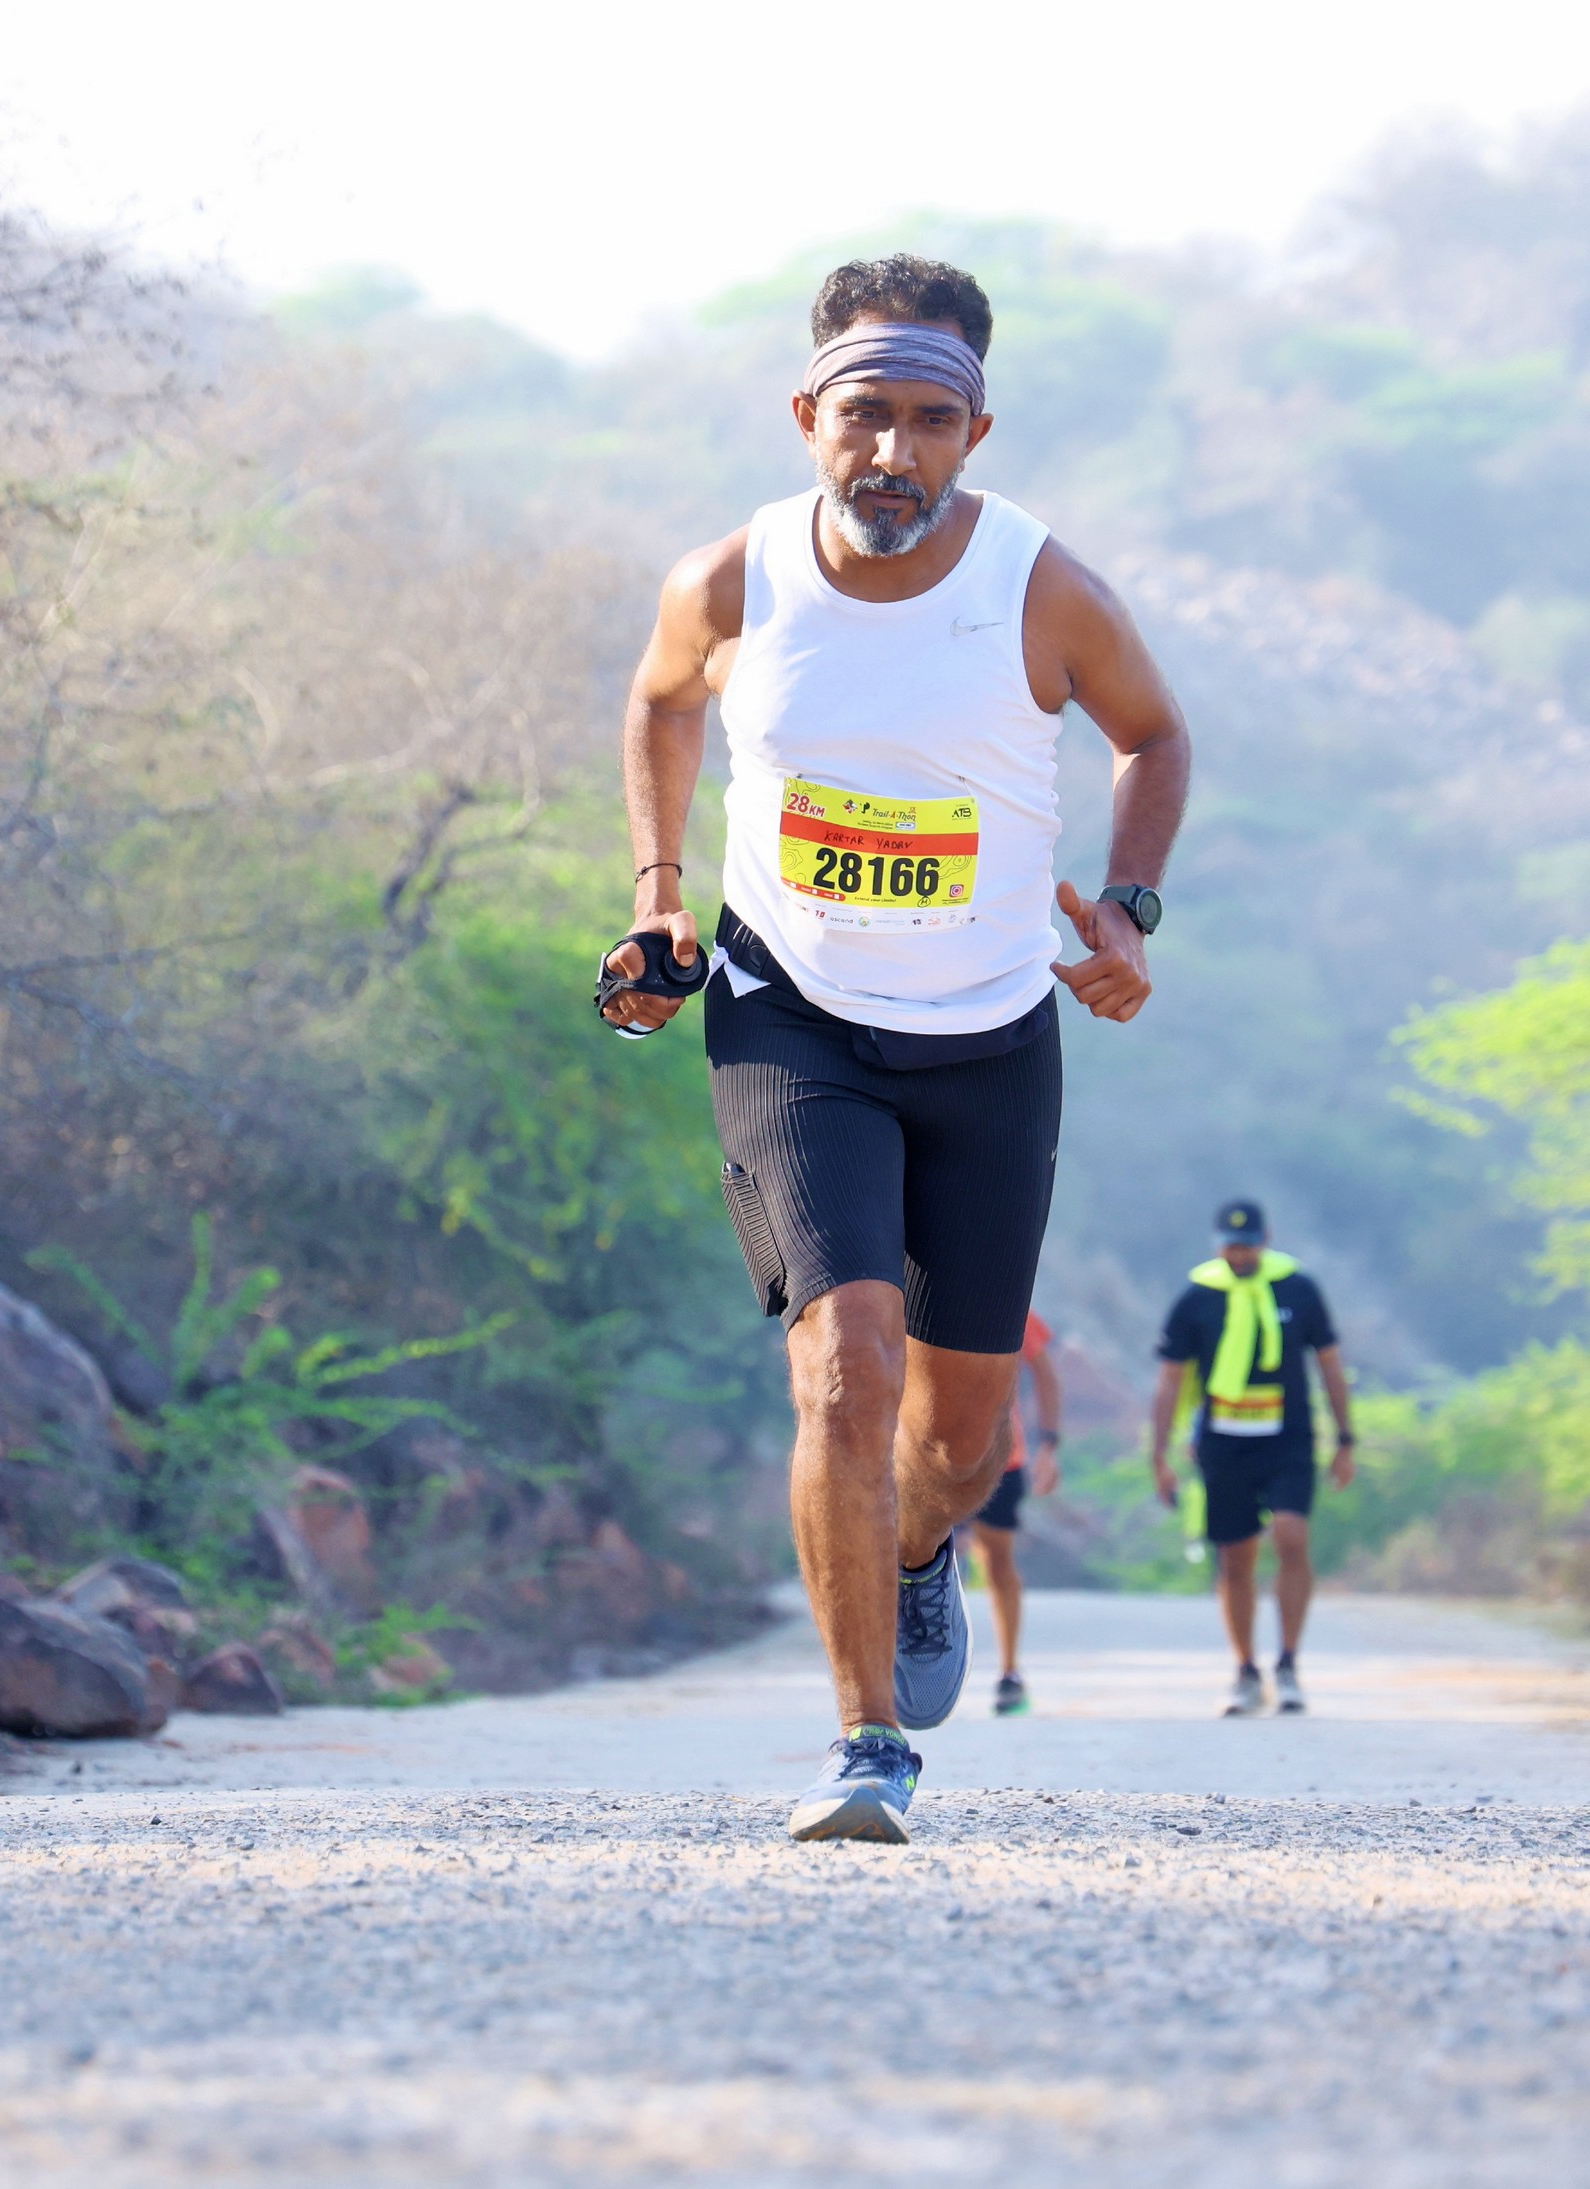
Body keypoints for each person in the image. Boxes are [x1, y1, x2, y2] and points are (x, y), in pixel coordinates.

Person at [599, 255, 1191, 1841]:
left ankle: (918, 1550)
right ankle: (865, 1742)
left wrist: (1126, 909)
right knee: (844, 1364)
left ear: (974, 433)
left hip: (989, 1030)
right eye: (864, 415)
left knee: (955, 1442)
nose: (892, 453)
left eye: (931, 422)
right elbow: (661, 703)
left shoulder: (1040, 590)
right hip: (788, 1014)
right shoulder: (729, 582)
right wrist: (658, 894)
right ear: (807, 415)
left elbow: (1152, 733)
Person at [1147, 1199, 1356, 1717]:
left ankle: (1288, 1663)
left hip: (1289, 1438)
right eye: (1230, 1246)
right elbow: (1170, 1381)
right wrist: (1159, 1454)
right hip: (1223, 1443)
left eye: (1247, 1245)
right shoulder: (1197, 1298)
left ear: (1266, 1240)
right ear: (1218, 1246)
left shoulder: (1298, 1289)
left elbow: (1329, 1364)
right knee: (1235, 1556)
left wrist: (1346, 1438)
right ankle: (1245, 1670)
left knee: (1291, 1535)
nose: (1239, 1254)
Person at [966, 1310, 1065, 1716]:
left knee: (997, 1562)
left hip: (999, 1456)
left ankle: (1010, 1672)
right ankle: (901, 1669)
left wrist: (1049, 1446)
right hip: (925, 1455)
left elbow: (1046, 1374)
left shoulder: (1009, 1297)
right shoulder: (916, 1291)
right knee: (911, 1558)